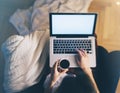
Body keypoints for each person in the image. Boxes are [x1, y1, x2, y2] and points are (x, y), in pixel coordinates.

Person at [44, 46, 120, 93]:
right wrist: (87, 69)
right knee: (104, 52)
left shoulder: (53, 86)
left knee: (101, 51)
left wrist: (52, 81)